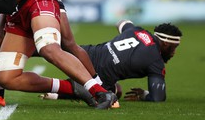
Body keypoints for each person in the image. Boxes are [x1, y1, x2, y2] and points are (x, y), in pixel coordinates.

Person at [41, 20, 183, 103]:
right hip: (101, 76)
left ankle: (22, 47)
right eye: (174, 47)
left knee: (45, 48)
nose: (174, 52)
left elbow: (122, 22)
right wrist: (144, 94)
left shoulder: (138, 31)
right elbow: (158, 97)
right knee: (109, 93)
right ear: (165, 44)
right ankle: (55, 92)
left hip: (88, 53)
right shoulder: (156, 62)